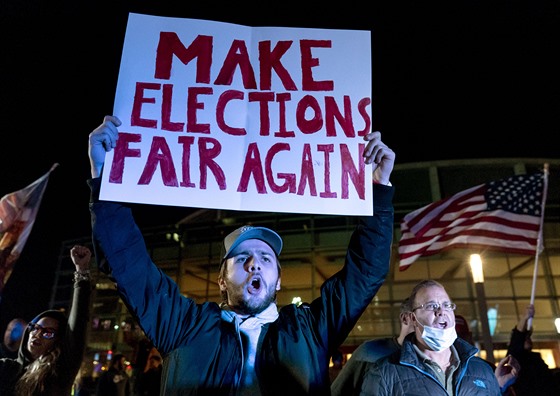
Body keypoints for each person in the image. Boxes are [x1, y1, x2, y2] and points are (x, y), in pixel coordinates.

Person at [87, 115, 396, 395]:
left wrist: (379, 190)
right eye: (241, 257)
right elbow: (128, 265)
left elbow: (365, 273)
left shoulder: (310, 329)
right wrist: (104, 175)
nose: (253, 263)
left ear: (277, 282)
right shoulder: (184, 326)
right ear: (221, 281)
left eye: (265, 258)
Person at [358, 280, 518, 395]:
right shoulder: (383, 373)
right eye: (431, 306)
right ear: (413, 318)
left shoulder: (483, 371)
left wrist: (498, 388)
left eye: (447, 305)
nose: (441, 311)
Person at [0, 245, 93, 396]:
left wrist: (81, 271)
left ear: (57, 342)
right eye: (35, 328)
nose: (37, 334)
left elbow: (79, 322)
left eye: (47, 333)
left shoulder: (59, 373)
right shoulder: (6, 367)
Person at [331, 297, 414, 395]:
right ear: (405, 318)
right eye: (430, 307)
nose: (436, 315)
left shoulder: (432, 362)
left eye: (437, 308)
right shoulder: (370, 352)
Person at [455, 314, 520, 395]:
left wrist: (500, 387)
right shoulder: (438, 372)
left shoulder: (487, 369)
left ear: (469, 336)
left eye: (461, 335)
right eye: (453, 335)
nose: (457, 340)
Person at [506, 304, 560, 395]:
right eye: (525, 337)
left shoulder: (535, 358)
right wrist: (525, 318)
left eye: (529, 337)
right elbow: (517, 338)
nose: (529, 339)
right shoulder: (515, 358)